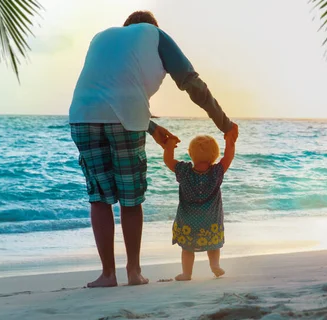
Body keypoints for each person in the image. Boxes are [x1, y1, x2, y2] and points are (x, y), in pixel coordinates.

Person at [69, 10, 238, 288]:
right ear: (150, 28)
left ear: (127, 28)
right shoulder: (154, 34)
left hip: (82, 115)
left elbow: (109, 90)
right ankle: (133, 272)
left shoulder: (101, 38)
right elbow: (191, 83)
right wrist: (224, 123)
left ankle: (107, 275)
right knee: (130, 197)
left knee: (99, 197)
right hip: (126, 121)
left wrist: (151, 127)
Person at [162, 128, 238, 281]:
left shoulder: (184, 171)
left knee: (187, 249)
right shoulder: (216, 172)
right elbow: (228, 157)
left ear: (191, 153)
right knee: (214, 245)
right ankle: (215, 266)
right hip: (211, 221)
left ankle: (187, 273)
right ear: (214, 155)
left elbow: (168, 161)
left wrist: (169, 145)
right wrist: (230, 141)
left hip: (188, 221)